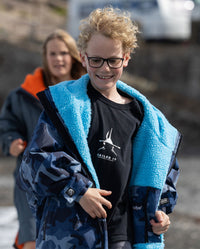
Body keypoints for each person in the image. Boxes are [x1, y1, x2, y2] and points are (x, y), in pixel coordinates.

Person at [18, 7, 181, 249]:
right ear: (83, 57)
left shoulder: (147, 120)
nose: (104, 69)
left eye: (113, 60)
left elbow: (160, 177)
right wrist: (78, 190)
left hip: (123, 238)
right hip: (70, 237)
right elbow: (33, 162)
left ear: (126, 58)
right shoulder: (64, 107)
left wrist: (160, 214)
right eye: (96, 60)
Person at [0, 29, 86, 249]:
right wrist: (11, 141)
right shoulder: (22, 95)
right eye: (53, 53)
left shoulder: (87, 93)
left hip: (75, 179)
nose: (58, 58)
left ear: (74, 56)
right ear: (45, 57)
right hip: (31, 179)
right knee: (31, 239)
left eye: (64, 53)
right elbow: (5, 126)